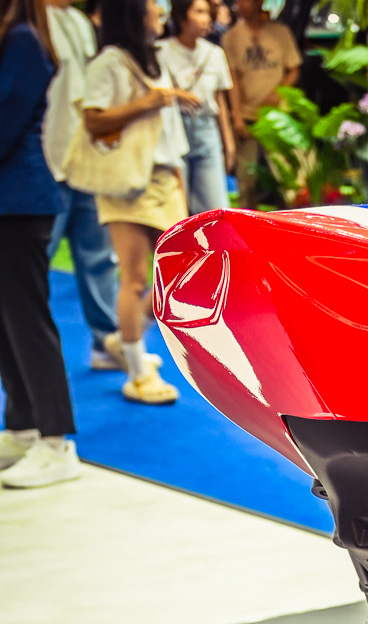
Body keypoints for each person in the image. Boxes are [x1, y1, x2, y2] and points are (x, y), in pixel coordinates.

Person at [83, 0, 198, 405]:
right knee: (134, 279)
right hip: (127, 180)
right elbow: (93, 120)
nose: (160, 11)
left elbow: (167, 131)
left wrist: (179, 180)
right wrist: (147, 103)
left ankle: (125, 338)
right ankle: (136, 372)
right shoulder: (108, 62)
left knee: (181, 273)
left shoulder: (152, 58)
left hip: (163, 176)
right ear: (134, 13)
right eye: (153, 5)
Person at [0, 0, 81, 487]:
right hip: (10, 200)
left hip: (21, 200)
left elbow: (6, 120)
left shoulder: (24, 39)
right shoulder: (16, 36)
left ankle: (55, 442)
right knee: (7, 322)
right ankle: (23, 427)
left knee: (27, 323)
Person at [43, 0, 122, 371]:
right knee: (30, 264)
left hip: (85, 160)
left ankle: (107, 343)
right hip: (45, 162)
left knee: (99, 256)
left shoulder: (77, 21)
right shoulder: (26, 20)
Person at [222, 0, 299, 209]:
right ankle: (245, 225)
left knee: (285, 177)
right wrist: (236, 116)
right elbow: (232, 80)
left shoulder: (281, 32)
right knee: (247, 179)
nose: (240, 5)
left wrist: (278, 93)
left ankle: (288, 220)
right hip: (248, 117)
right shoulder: (231, 37)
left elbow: (293, 69)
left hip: (277, 117)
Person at [160, 0, 234, 213]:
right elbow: (151, 92)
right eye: (199, 12)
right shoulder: (161, 51)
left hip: (206, 129)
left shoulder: (214, 54)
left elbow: (220, 101)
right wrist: (176, 94)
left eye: (208, 13)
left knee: (215, 207)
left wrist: (228, 143)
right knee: (176, 206)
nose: (206, 19)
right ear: (182, 17)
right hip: (173, 128)